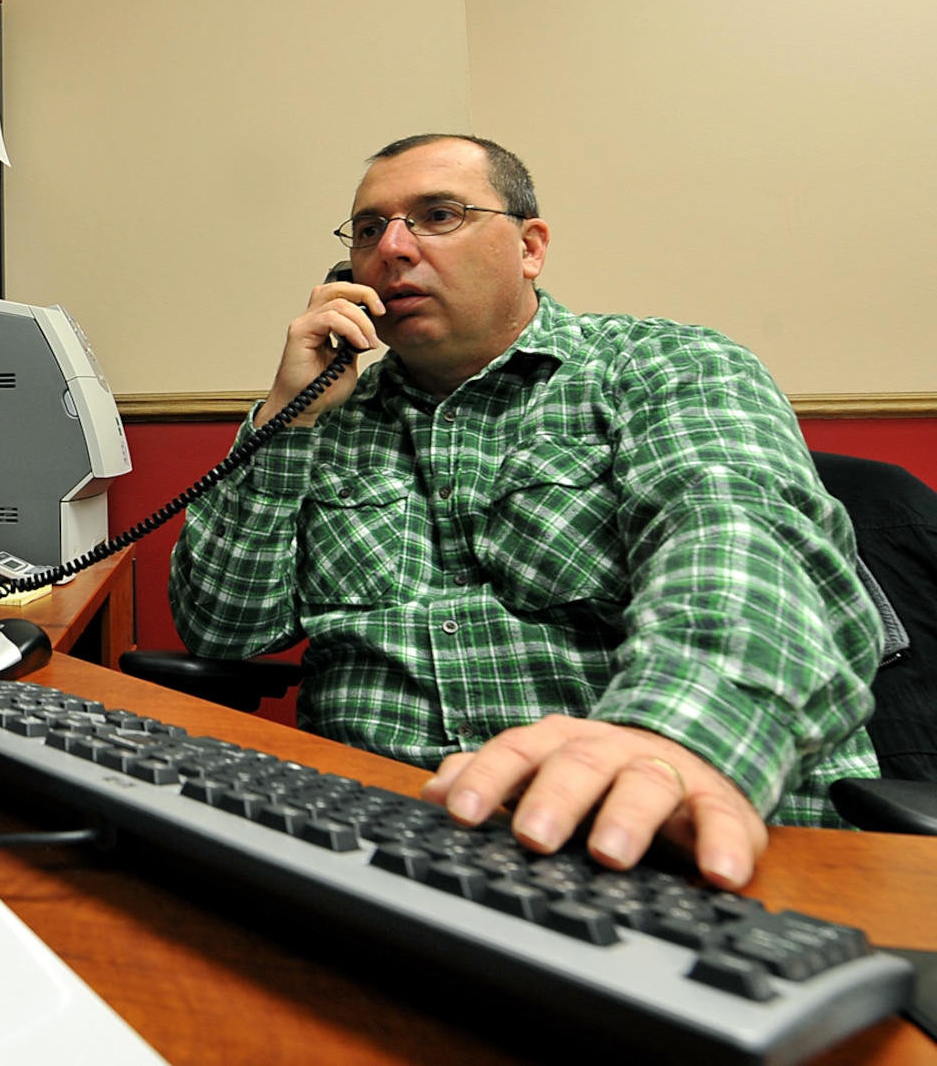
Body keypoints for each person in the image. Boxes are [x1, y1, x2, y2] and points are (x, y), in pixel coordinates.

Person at [169, 134, 882, 891]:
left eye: (437, 214)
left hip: (636, 838)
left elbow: (738, 548)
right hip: (373, 843)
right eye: (370, 229)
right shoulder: (324, 419)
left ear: (530, 247)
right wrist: (287, 414)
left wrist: (671, 739)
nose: (393, 249)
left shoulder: (665, 367)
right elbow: (224, 625)